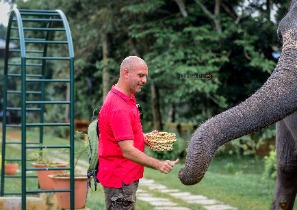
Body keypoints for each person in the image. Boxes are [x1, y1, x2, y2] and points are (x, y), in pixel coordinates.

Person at [97, 56, 179, 210]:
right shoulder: (119, 107)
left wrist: (143, 137)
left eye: (145, 76)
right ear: (126, 72)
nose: (145, 80)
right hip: (120, 179)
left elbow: (120, 135)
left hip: (123, 177)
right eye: (141, 75)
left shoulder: (126, 98)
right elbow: (127, 151)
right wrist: (159, 164)